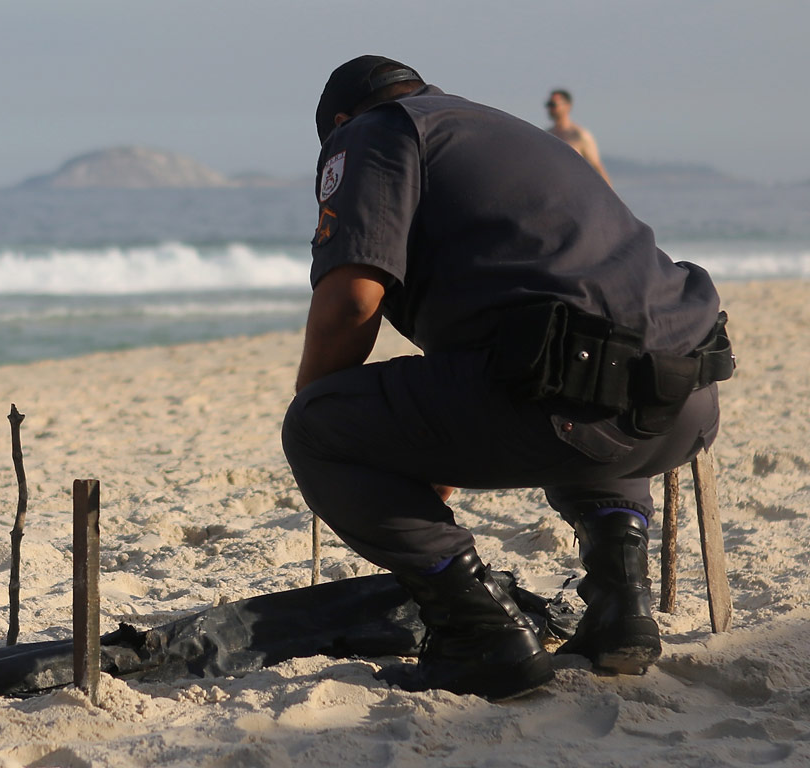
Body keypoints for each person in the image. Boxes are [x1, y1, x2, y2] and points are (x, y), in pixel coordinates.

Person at [281, 56, 733, 701]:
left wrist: (326, 421)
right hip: (685, 403)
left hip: (570, 405)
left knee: (317, 424)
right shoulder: (506, 133)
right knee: (590, 360)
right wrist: (423, 451)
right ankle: (620, 603)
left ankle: (480, 632)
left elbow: (351, 303)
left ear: (342, 123)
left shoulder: (373, 133)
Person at [545, 88, 612, 185]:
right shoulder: (548, 134)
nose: (550, 109)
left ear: (567, 106)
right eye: (548, 105)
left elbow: (597, 166)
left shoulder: (580, 135)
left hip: (576, 187)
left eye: (553, 105)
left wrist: (610, 197)